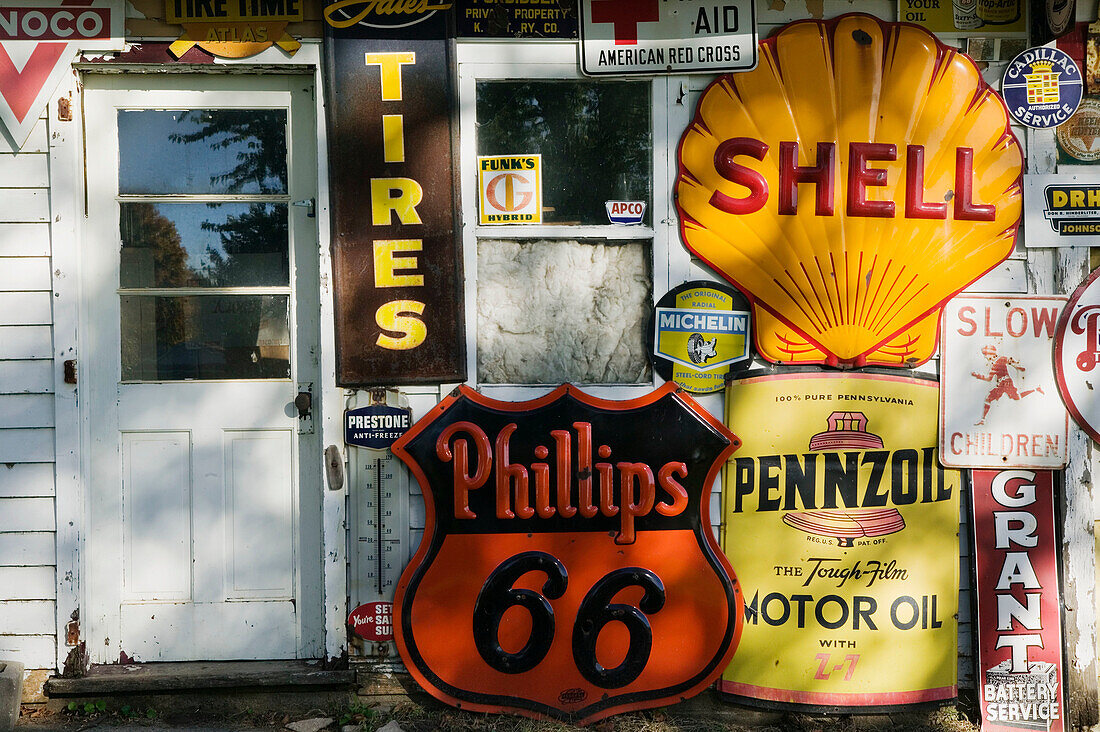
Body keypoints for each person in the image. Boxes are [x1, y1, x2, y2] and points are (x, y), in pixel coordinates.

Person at [971, 344, 1043, 425]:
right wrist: (978, 376)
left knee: (1017, 397)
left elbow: (1010, 360)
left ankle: (1036, 389)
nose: (985, 357)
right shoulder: (993, 365)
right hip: (1001, 384)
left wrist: (1018, 367)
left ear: (990, 354)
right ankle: (983, 420)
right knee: (988, 399)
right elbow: (989, 378)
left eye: (986, 355)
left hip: (1006, 382)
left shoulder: (1000, 359)